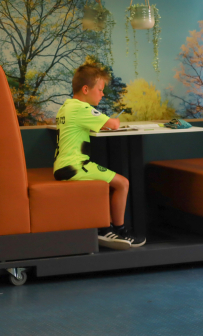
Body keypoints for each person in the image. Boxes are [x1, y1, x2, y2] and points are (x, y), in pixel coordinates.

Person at [54, 61, 145, 250]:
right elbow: (113, 124)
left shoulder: (66, 107)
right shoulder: (81, 108)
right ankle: (117, 230)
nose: (102, 94)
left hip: (62, 165)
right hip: (75, 167)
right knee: (122, 183)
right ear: (86, 89)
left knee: (109, 181)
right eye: (100, 90)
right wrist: (114, 120)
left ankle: (107, 227)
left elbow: (87, 124)